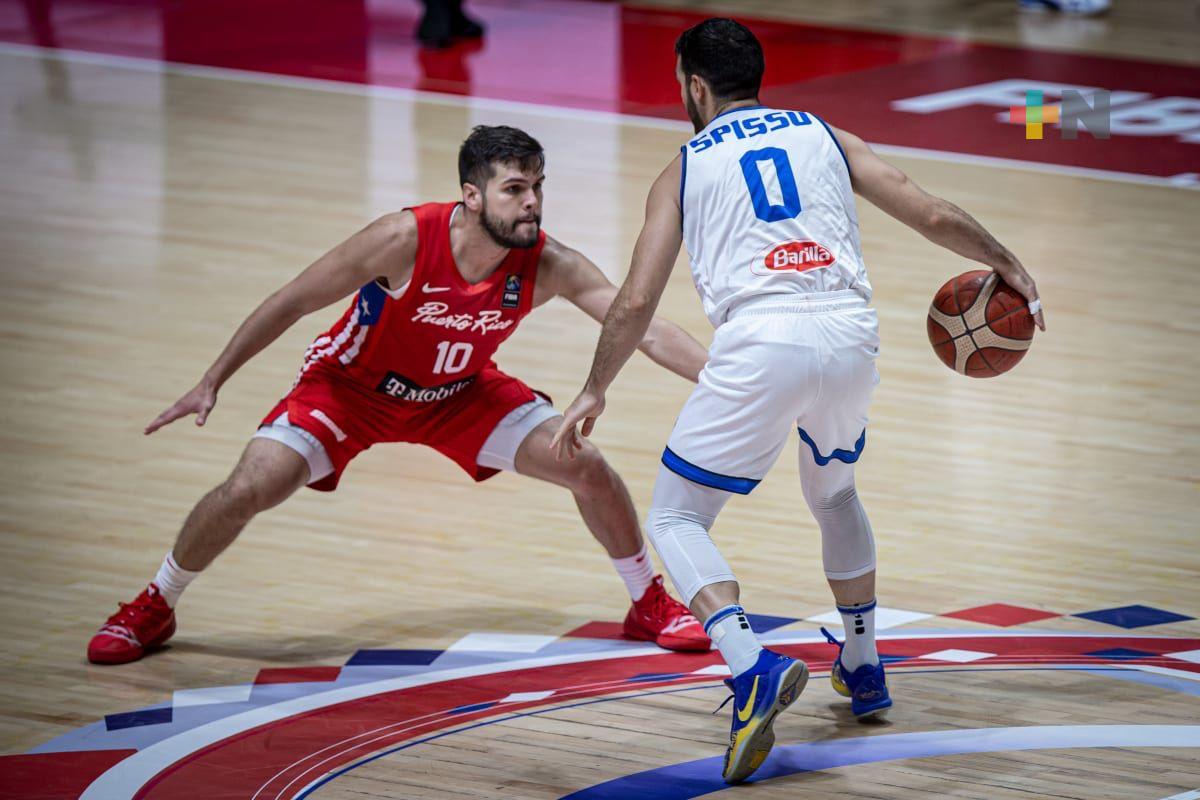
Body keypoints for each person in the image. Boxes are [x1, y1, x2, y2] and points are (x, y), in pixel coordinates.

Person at [552, 18, 1044, 783]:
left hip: (761, 340)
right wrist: (1007, 262)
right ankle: (864, 661)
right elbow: (929, 210)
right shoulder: (825, 133)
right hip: (850, 335)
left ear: (694, 87)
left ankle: (749, 664)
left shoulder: (682, 167)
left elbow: (636, 300)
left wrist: (594, 386)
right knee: (835, 492)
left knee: (677, 516)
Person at [88, 125, 713, 666]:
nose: (533, 204)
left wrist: (731, 382)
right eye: (515, 190)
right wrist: (212, 378)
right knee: (248, 488)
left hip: (458, 394)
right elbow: (293, 299)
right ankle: (156, 603)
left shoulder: (549, 262)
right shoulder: (403, 239)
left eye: (538, 187)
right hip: (350, 390)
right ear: (472, 196)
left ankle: (646, 602)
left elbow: (645, 326)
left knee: (588, 467)